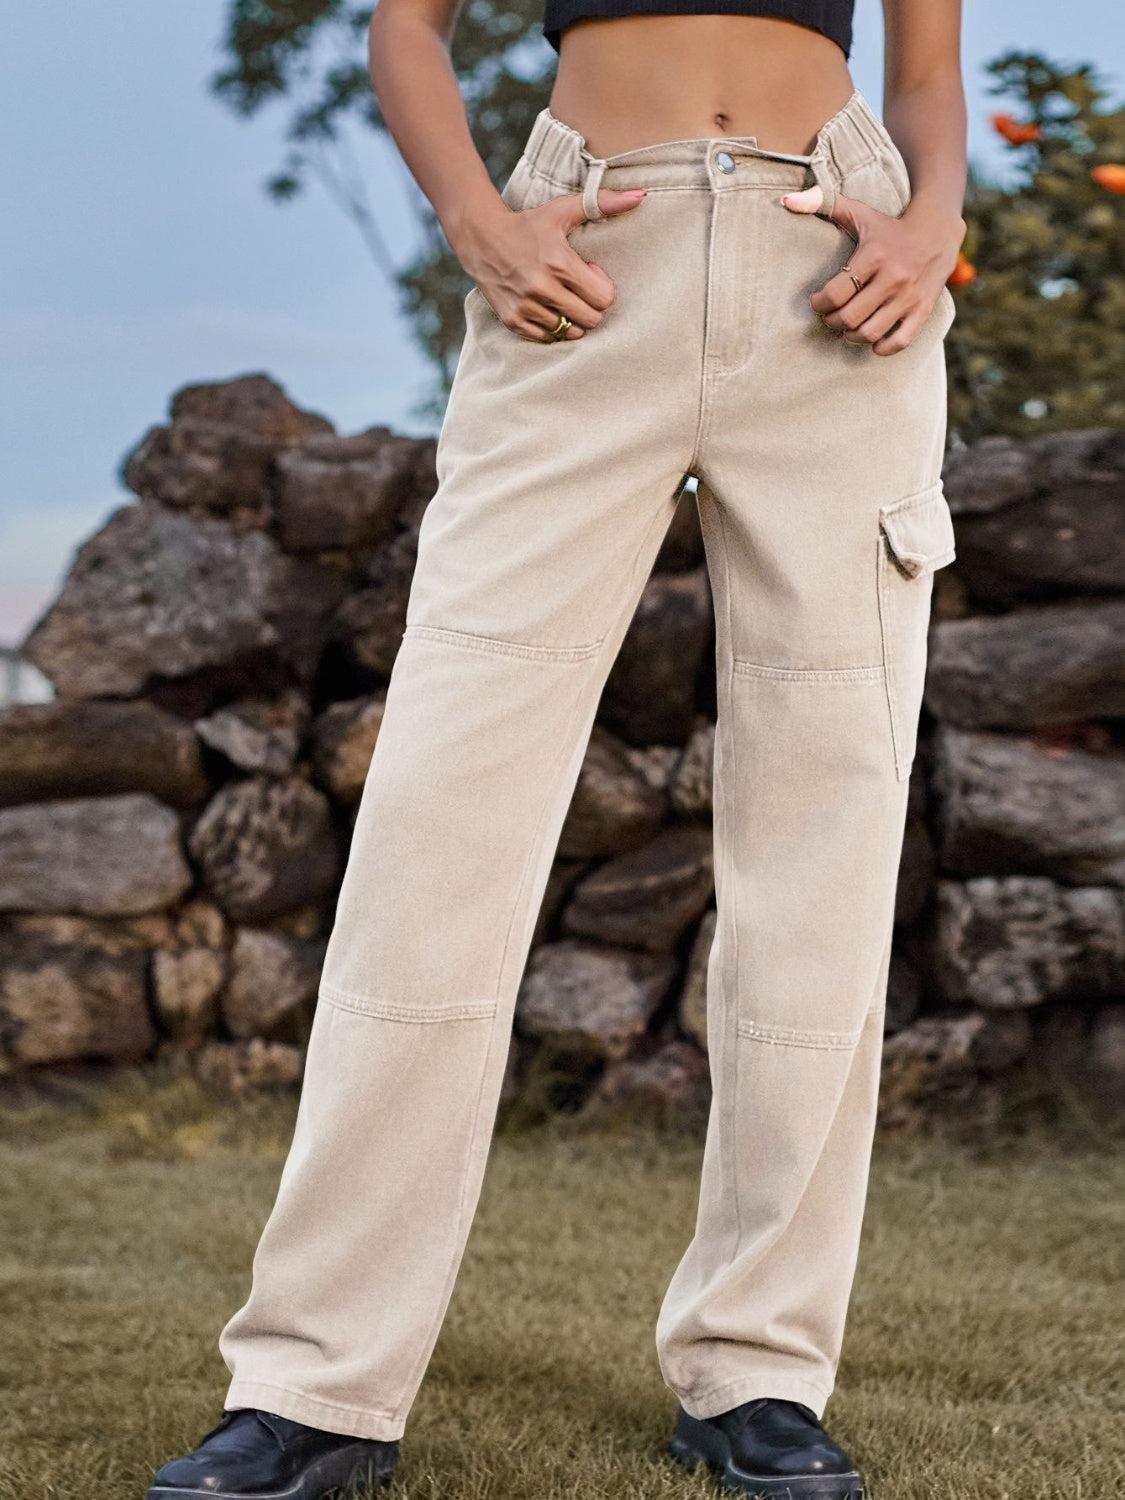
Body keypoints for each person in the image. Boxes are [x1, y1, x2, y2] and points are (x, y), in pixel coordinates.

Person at [147, 1, 966, 1496]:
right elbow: (406, 26)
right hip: (584, 253)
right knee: (434, 837)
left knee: (824, 844)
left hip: (836, 262)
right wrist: (477, 219)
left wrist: (930, 226)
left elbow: (925, 70)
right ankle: (316, 1384)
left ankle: (758, 1371)